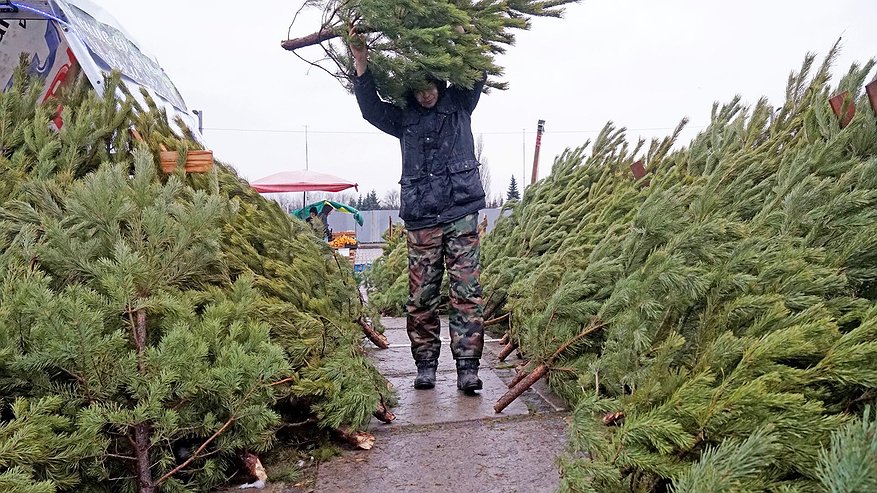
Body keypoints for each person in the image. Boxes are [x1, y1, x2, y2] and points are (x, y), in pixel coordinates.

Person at [349, 29, 487, 395]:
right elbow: (370, 109)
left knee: (466, 292)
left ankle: (467, 368)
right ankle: (425, 364)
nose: (426, 94)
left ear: (440, 83)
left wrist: (462, 38)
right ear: (409, 90)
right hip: (422, 217)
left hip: (460, 212)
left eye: (431, 86)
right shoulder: (403, 119)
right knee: (421, 296)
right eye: (419, 89)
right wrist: (362, 63)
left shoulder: (460, 103)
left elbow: (476, 71)